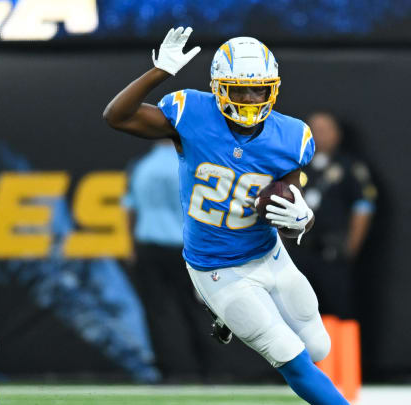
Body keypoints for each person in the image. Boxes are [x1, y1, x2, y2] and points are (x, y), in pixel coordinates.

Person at [104, 27, 348, 404]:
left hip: (270, 257)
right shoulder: (192, 114)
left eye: (258, 89)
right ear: (219, 88)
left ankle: (225, 318)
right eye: (239, 89)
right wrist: (159, 73)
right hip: (217, 268)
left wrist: (303, 219)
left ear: (274, 89)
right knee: (293, 358)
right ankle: (221, 307)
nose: (250, 99)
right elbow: (116, 117)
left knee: (317, 348)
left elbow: (285, 199)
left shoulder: (292, 137)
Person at [124, 140, 223, 380]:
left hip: (150, 247)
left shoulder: (141, 166)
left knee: (157, 312)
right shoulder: (192, 166)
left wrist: (131, 246)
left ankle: (168, 370)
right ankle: (207, 369)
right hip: (187, 247)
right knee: (196, 309)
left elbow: (129, 209)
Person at [286, 112, 376, 319]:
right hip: (299, 252)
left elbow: (363, 207)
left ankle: (341, 353)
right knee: (296, 312)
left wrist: (350, 248)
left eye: (325, 130)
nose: (320, 135)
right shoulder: (294, 166)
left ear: (337, 134)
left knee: (339, 313)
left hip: (333, 254)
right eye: (314, 130)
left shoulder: (350, 167)